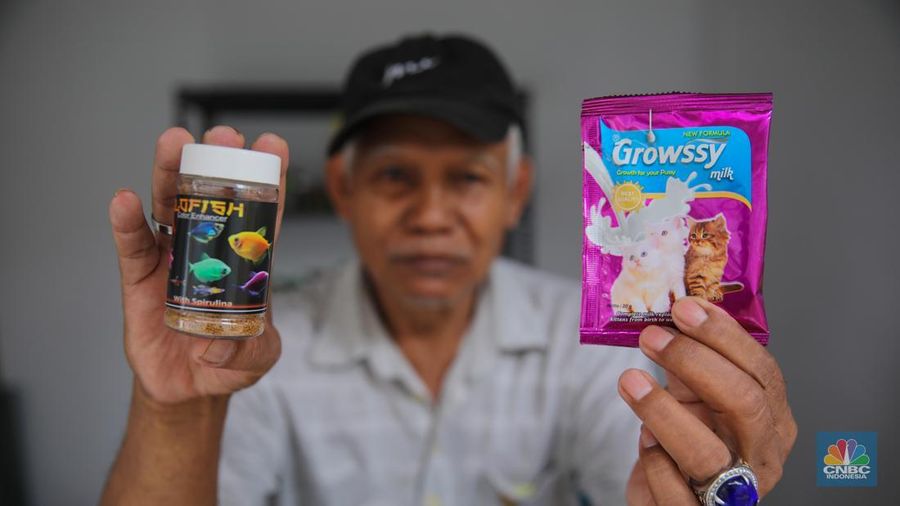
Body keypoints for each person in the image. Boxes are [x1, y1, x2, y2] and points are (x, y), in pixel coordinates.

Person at [101, 34, 796, 506]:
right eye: (396, 174)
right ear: (343, 190)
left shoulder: (590, 341)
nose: (431, 214)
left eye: (465, 177)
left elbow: (647, 485)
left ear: (514, 193)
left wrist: (712, 480)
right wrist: (177, 408)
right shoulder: (252, 347)